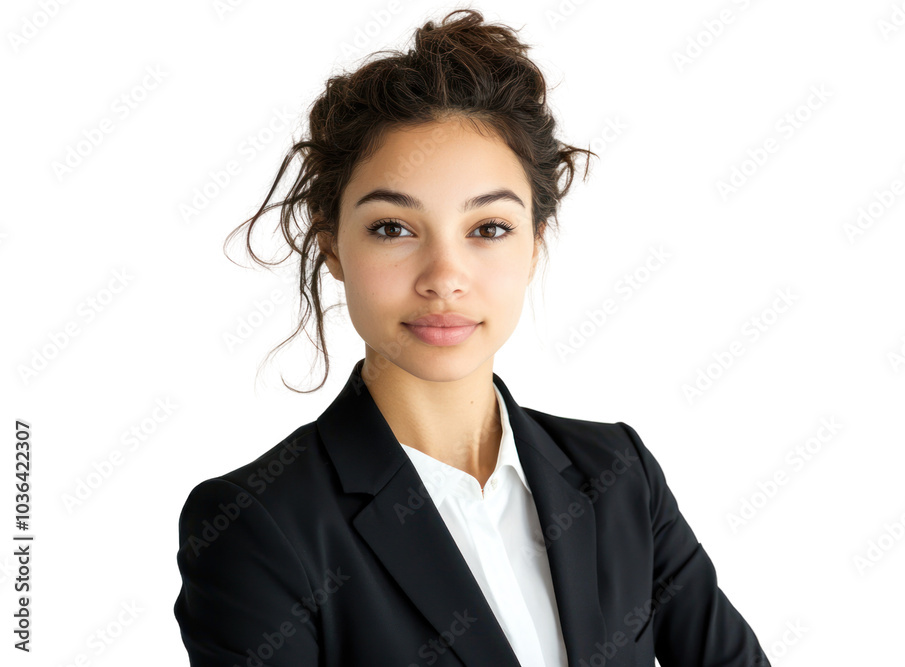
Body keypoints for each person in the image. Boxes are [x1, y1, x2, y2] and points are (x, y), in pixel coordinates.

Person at [173, 9, 770, 666]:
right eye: (393, 228)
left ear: (534, 243)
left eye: (488, 228)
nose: (445, 278)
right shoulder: (257, 526)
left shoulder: (619, 474)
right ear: (332, 246)